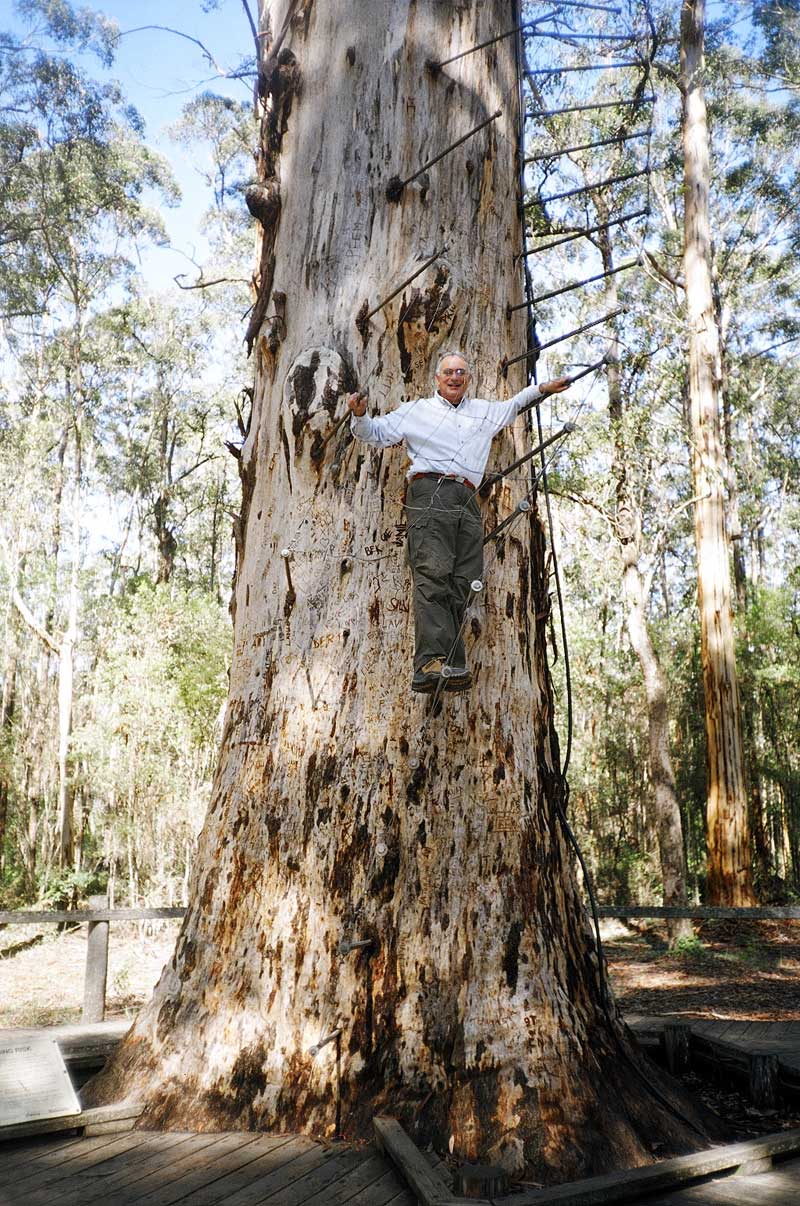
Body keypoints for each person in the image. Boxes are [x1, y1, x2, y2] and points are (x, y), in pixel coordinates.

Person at [348, 352, 570, 695]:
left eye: (461, 372)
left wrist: (544, 388)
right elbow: (374, 432)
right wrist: (359, 414)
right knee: (432, 573)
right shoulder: (417, 410)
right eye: (448, 372)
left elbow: (514, 404)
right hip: (430, 492)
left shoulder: (482, 411)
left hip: (467, 498)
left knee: (466, 580)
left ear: (469, 379)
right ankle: (430, 662)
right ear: (437, 379)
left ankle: (449, 663)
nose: (455, 377)